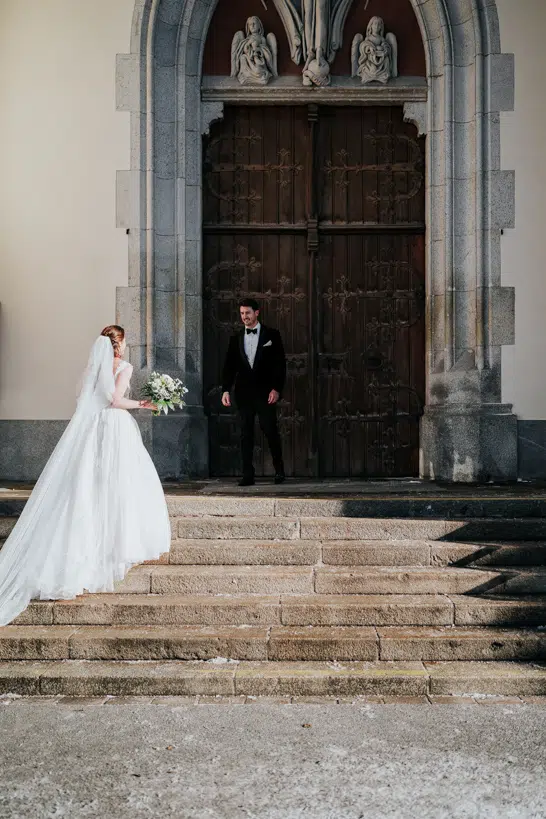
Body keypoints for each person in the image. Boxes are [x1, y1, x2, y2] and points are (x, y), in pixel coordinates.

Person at [0, 326, 171, 626]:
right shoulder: (125, 367)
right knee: (118, 486)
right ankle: (116, 544)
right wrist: (142, 404)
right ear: (121, 345)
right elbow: (115, 400)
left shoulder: (93, 366)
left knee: (85, 487)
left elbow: (82, 395)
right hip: (114, 428)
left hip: (91, 428)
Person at [221, 299, 286, 486]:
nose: (244, 317)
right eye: (241, 314)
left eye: (247, 313)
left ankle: (279, 470)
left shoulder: (272, 335)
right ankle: (248, 475)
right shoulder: (236, 338)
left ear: (257, 313)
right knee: (245, 434)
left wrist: (276, 389)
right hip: (243, 394)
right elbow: (229, 366)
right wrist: (226, 389)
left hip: (265, 393)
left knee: (270, 431)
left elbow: (279, 364)